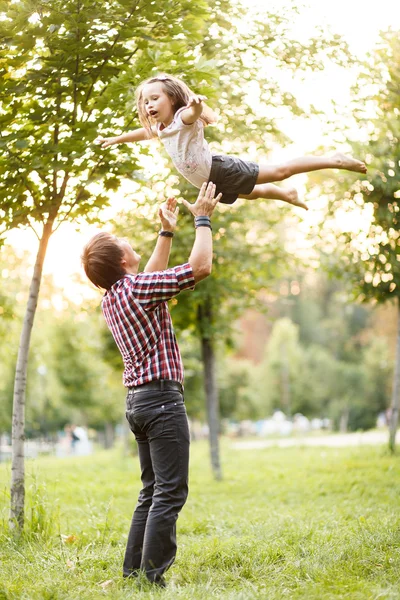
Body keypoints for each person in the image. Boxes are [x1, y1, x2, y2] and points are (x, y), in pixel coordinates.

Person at [81, 181, 221, 587]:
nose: (129, 241)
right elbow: (200, 268)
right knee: (170, 492)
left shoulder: (115, 297)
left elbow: (149, 280)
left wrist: (166, 232)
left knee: (151, 490)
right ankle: (151, 578)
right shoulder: (138, 290)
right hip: (161, 403)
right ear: (124, 259)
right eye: (124, 241)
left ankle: (134, 573)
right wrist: (203, 219)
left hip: (138, 403)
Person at [95, 72, 367, 210]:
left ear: (172, 99)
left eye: (155, 98)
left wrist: (197, 105)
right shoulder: (163, 127)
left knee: (281, 171)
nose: (149, 104)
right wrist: (116, 139)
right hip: (209, 183)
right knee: (254, 193)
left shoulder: (182, 119)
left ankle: (334, 159)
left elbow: (193, 114)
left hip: (219, 169)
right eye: (146, 101)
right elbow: (144, 133)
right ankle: (288, 195)